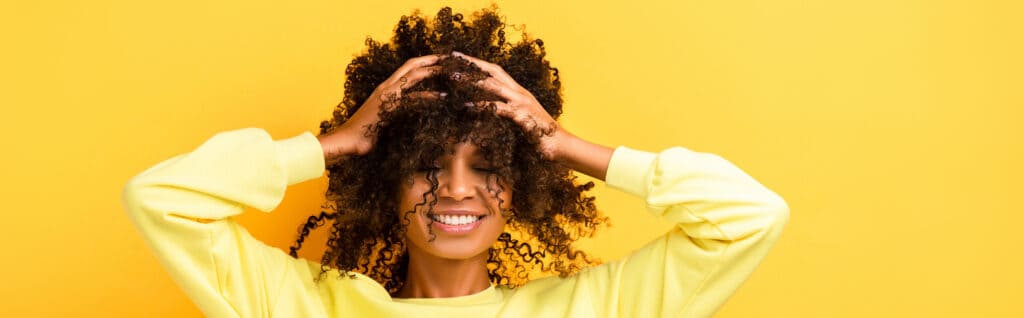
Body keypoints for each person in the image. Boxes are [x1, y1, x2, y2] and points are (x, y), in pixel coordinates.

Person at [122, 7, 788, 318]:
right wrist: (339, 142)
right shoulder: (301, 306)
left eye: (490, 164)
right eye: (426, 164)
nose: (457, 191)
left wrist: (563, 144)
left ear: (524, 182)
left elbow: (751, 216)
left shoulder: (595, 309)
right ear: (385, 178)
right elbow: (159, 199)